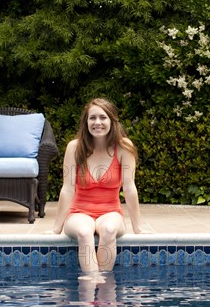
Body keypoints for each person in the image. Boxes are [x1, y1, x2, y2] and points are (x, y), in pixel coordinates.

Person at [50, 98, 152, 272]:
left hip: (111, 212)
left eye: (103, 117)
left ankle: (104, 291)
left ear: (112, 121)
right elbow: (67, 188)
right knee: (83, 232)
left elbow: (129, 188)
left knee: (109, 230)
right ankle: (91, 287)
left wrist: (138, 228)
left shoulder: (123, 147)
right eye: (92, 118)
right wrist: (56, 229)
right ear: (86, 122)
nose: (97, 122)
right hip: (79, 212)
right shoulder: (74, 148)